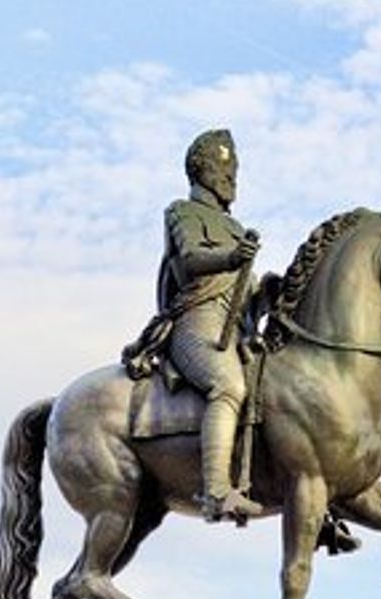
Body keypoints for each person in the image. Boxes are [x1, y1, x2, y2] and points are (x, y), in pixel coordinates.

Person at [159, 128, 264, 523]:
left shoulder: (235, 227)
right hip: (197, 324)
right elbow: (187, 261)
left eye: (233, 169)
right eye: (223, 169)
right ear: (200, 171)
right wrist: (232, 258)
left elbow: (247, 290)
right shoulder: (181, 212)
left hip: (238, 330)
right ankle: (217, 492)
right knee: (229, 386)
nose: (231, 177)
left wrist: (269, 290)